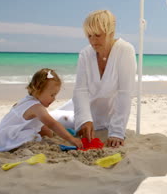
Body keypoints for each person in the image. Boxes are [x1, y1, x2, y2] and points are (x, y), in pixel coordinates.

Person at [50, 10, 136, 148]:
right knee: (45, 118)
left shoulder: (125, 50)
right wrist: (84, 119)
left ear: (111, 33)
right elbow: (80, 90)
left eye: (97, 35)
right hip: (83, 112)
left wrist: (117, 132)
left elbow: (125, 92)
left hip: (110, 120)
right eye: (89, 35)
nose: (93, 41)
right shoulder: (85, 54)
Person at [0, 68, 83, 152]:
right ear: (38, 90)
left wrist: (49, 134)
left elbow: (39, 125)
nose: (54, 99)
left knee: (44, 129)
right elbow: (52, 124)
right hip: (7, 140)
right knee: (36, 135)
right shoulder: (37, 107)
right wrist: (71, 139)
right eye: (52, 95)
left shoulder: (25, 101)